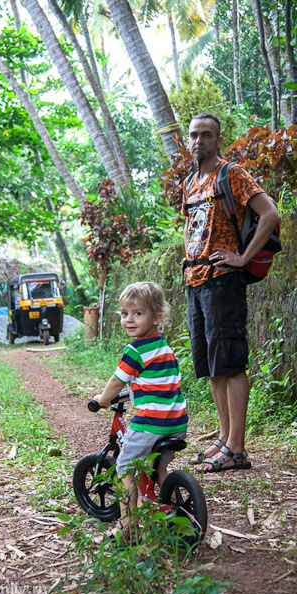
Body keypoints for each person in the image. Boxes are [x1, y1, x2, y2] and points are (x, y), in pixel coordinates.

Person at [182, 113, 281, 473]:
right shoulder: (191, 181)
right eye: (194, 135)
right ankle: (224, 440)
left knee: (232, 361)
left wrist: (242, 258)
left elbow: (270, 213)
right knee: (213, 365)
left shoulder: (232, 173)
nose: (199, 141)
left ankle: (237, 448)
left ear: (218, 140)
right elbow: (192, 227)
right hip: (196, 280)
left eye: (206, 135)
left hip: (223, 279)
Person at [93, 281, 188, 541]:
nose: (129, 320)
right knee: (156, 466)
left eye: (138, 313)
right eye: (125, 314)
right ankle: (168, 502)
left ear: (156, 318)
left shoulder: (135, 350)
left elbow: (117, 381)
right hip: (177, 423)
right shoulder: (164, 347)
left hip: (151, 424)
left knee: (124, 468)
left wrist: (103, 399)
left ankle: (127, 528)